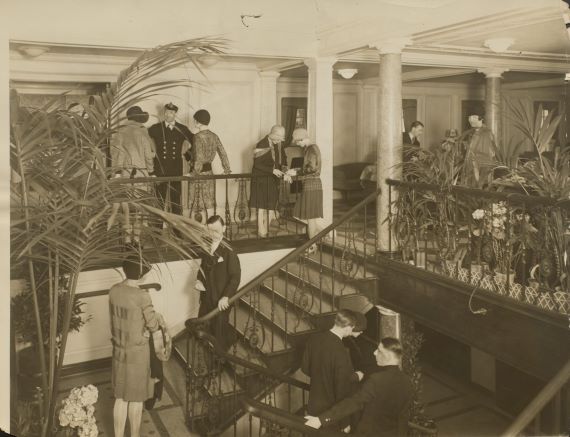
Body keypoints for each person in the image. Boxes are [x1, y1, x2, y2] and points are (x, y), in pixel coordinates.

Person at [305, 337, 413, 437]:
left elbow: (354, 402)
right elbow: (403, 418)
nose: (374, 353)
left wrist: (321, 420)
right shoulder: (407, 382)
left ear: (388, 356)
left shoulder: (376, 380)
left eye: (379, 350)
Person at [110, 254, 165, 437]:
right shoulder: (142, 296)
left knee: (120, 397)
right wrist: (150, 328)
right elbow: (153, 325)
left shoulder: (114, 290)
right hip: (137, 354)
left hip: (118, 350)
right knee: (135, 398)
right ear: (141, 275)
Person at [301, 309, 364, 428]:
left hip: (314, 405)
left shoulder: (314, 339)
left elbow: (305, 368)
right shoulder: (342, 352)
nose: (351, 332)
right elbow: (342, 389)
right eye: (352, 328)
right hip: (330, 413)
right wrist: (345, 423)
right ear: (347, 327)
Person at [108, 106, 156, 245]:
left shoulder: (120, 132)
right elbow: (148, 155)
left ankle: (127, 239)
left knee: (126, 207)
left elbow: (116, 154)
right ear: (139, 118)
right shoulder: (143, 132)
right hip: (142, 174)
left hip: (125, 174)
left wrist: (117, 172)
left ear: (128, 118)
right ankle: (136, 237)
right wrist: (151, 171)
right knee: (140, 207)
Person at [195, 215, 241, 350]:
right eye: (209, 230)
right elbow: (203, 266)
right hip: (207, 296)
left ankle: (220, 359)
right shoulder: (207, 245)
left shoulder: (229, 250)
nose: (212, 234)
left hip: (221, 299)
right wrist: (199, 279)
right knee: (204, 324)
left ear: (224, 229)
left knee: (219, 329)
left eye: (216, 230)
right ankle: (208, 350)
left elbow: (235, 277)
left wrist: (226, 296)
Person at [147, 102, 194, 216]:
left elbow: (195, 142)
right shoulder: (155, 128)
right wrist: (151, 153)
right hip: (160, 170)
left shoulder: (182, 128)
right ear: (164, 113)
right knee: (159, 202)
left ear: (175, 114)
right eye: (167, 112)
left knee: (176, 202)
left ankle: (177, 232)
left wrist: (187, 156)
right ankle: (157, 230)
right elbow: (144, 140)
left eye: (171, 112)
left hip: (175, 170)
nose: (168, 115)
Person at [188, 109, 231, 222]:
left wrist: (193, 173)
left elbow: (199, 158)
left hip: (198, 175)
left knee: (196, 204)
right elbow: (223, 152)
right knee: (209, 204)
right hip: (209, 175)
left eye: (195, 120)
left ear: (198, 122)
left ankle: (198, 233)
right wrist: (226, 169)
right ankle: (210, 230)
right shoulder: (214, 136)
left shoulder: (197, 137)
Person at [250, 125, 287, 238]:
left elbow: (283, 160)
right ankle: (262, 231)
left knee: (270, 206)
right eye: (279, 138)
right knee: (261, 206)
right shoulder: (262, 144)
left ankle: (265, 229)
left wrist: (285, 171)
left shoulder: (278, 144)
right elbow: (257, 164)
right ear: (274, 135)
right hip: (260, 178)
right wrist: (272, 170)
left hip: (272, 178)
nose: (280, 141)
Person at [287, 128, 323, 239]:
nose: (298, 144)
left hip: (311, 184)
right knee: (305, 214)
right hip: (312, 184)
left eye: (298, 142)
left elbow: (311, 168)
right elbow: (308, 167)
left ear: (302, 139)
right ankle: (322, 235)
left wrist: (296, 171)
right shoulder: (311, 148)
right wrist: (296, 171)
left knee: (310, 217)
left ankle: (312, 245)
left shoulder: (311, 149)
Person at [459, 111, 497, 186]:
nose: (470, 120)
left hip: (481, 161)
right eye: (469, 118)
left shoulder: (487, 133)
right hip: (471, 161)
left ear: (481, 119)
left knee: (481, 182)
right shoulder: (470, 132)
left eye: (473, 117)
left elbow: (489, 151)